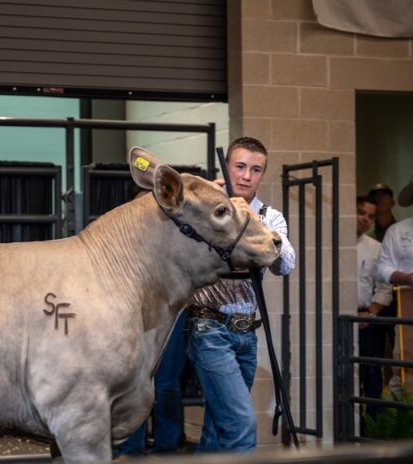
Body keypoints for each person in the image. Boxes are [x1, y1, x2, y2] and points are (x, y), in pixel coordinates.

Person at [186, 136, 295, 452]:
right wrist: (203, 201)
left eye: (256, 169)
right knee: (241, 426)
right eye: (240, 166)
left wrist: (256, 223)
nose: (247, 176)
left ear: (263, 174)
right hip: (209, 329)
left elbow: (286, 265)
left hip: (246, 333)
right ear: (228, 167)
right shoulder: (207, 208)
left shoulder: (270, 217)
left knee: (217, 429)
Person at [117, 185, 190, 456]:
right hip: (136, 320)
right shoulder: (125, 246)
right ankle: (131, 447)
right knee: (135, 383)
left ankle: (167, 448)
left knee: (166, 384)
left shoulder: (174, 237)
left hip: (170, 317)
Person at [355, 195, 393, 426]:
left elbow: (384, 287)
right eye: (361, 212)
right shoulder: (331, 242)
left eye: (370, 216)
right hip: (336, 318)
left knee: (371, 374)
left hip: (367, 318)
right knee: (343, 373)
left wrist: (371, 312)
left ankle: (372, 429)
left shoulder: (376, 248)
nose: (365, 219)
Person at [377, 176, 413, 398]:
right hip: (408, 304)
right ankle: (397, 423)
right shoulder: (398, 231)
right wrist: (407, 278)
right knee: (404, 364)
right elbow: (382, 268)